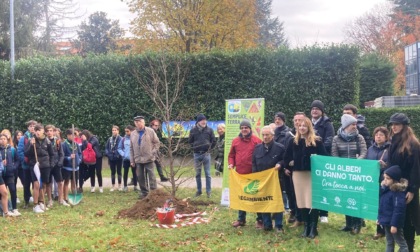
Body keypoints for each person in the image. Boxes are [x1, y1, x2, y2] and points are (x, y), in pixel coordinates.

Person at [283, 117, 327, 239]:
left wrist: (315, 159)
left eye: (304, 126)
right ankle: (306, 227)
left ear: (309, 127)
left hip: (311, 175)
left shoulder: (317, 141)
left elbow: (324, 158)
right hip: (298, 175)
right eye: (300, 126)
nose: (302, 128)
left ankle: (313, 227)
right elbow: (286, 157)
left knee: (311, 201)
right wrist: (290, 163)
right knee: (301, 201)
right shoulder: (293, 141)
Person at [387, 113, 420, 252]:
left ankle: (409, 249)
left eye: (397, 124)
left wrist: (412, 190)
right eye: (392, 124)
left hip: (407, 188)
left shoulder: (413, 144)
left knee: (408, 221)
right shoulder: (393, 141)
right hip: (394, 187)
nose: (393, 127)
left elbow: (416, 169)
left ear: (405, 126)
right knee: (396, 218)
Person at [332, 114, 367, 234]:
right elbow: (334, 155)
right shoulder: (336, 139)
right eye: (353, 124)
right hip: (343, 173)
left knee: (356, 197)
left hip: (356, 173)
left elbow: (363, 152)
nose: (355, 126)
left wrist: (357, 162)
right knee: (345, 197)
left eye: (355, 124)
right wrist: (341, 166)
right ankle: (348, 223)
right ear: (346, 125)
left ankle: (357, 224)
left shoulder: (359, 138)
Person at [228, 119, 262, 228]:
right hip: (240, 175)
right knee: (241, 197)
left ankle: (260, 220)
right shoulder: (235, 141)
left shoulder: (257, 141)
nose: (244, 130)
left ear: (250, 129)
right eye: (242, 128)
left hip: (254, 174)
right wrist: (231, 164)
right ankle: (241, 219)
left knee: (256, 198)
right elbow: (231, 155)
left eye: (246, 128)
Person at [252, 126, 286, 232]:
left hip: (276, 180)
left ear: (273, 136)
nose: (265, 137)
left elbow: (284, 160)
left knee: (276, 202)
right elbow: (254, 163)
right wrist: (255, 177)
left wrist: (280, 164)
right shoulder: (257, 148)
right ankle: (267, 224)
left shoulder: (280, 148)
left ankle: (279, 225)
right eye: (263, 135)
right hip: (262, 181)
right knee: (264, 202)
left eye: (267, 135)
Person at [310, 100, 334, 223]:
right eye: (313, 108)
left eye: (317, 109)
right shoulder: (308, 123)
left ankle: (324, 213)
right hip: (311, 159)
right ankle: (313, 209)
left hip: (323, 158)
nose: (314, 111)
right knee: (312, 186)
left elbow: (329, 140)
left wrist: (320, 151)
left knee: (323, 186)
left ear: (321, 111)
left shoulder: (327, 124)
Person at [24, 124, 54, 213]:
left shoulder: (47, 141)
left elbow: (52, 154)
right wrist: (31, 145)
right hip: (35, 166)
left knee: (43, 185)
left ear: (42, 131)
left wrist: (51, 164)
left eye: (39, 130)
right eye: (36, 130)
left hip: (45, 166)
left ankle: (41, 202)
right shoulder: (31, 140)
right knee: (36, 184)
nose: (37, 132)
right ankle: (35, 205)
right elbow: (26, 153)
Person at [367, 126, 390, 240]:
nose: (378, 137)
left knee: (385, 205)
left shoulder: (390, 149)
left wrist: (385, 165)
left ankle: (387, 230)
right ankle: (379, 231)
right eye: (376, 135)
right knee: (377, 206)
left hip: (385, 181)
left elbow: (393, 164)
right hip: (373, 181)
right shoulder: (370, 149)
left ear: (386, 137)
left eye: (381, 135)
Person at [378, 165, 409, 252]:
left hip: (394, 223)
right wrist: (379, 218)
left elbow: (398, 210)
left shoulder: (398, 193)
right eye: (384, 178)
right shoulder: (386, 190)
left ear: (394, 180)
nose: (385, 180)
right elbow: (382, 206)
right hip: (387, 221)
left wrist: (394, 225)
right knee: (389, 241)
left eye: (387, 178)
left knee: (402, 244)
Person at [130, 115, 160, 199]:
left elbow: (157, 143)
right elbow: (131, 148)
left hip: (149, 158)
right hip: (138, 159)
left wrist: (153, 152)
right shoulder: (133, 134)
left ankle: (154, 193)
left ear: (143, 122)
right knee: (140, 176)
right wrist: (132, 160)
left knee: (151, 175)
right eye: (136, 122)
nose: (137, 123)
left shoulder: (150, 131)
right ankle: (144, 192)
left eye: (139, 122)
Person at [285, 112, 306, 227]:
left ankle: (308, 218)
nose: (298, 123)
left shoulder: (312, 137)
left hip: (307, 172)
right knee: (295, 194)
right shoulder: (290, 137)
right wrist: (287, 166)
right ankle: (298, 217)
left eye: (300, 121)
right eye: (296, 121)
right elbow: (286, 154)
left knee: (306, 195)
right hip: (295, 172)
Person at [188, 114, 216, 198]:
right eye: (202, 120)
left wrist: (209, 149)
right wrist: (194, 148)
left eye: (205, 120)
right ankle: (199, 191)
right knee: (197, 174)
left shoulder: (210, 130)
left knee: (208, 174)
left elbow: (213, 141)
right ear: (198, 122)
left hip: (206, 154)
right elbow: (190, 141)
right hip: (197, 154)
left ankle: (208, 192)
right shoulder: (193, 130)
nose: (204, 121)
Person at [17, 120, 36, 208]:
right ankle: (26, 201)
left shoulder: (37, 136)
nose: (32, 127)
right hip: (26, 165)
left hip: (35, 165)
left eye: (34, 126)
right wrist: (25, 160)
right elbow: (20, 151)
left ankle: (37, 200)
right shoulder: (23, 138)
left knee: (36, 183)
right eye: (30, 126)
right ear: (28, 127)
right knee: (26, 184)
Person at [45, 125, 65, 208]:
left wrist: (60, 162)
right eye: (48, 131)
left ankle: (61, 199)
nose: (49, 132)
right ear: (45, 132)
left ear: (54, 131)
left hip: (56, 164)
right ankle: (50, 200)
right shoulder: (44, 141)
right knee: (49, 183)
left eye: (51, 130)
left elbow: (61, 153)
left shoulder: (57, 141)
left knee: (60, 182)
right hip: (48, 165)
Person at [0, 134, 20, 216]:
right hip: (2, 174)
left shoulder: (12, 149)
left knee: (12, 190)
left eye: (4, 139)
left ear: (7, 140)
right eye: (1, 139)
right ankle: (4, 210)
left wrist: (13, 167)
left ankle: (14, 208)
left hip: (10, 173)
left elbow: (17, 160)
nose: (2, 140)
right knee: (2, 193)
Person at [61, 129, 81, 206]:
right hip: (67, 167)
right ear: (68, 135)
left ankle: (75, 197)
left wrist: (79, 159)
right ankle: (65, 198)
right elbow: (62, 156)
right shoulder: (64, 145)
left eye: (74, 135)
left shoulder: (76, 144)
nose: (73, 137)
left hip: (75, 167)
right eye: (71, 135)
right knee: (66, 182)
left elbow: (79, 153)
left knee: (74, 182)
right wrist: (69, 157)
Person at [118, 125, 138, 192]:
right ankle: (125, 186)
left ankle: (135, 186)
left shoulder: (136, 138)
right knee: (125, 173)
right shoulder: (123, 139)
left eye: (128, 131)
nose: (126, 133)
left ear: (132, 131)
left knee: (134, 173)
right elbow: (119, 148)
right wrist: (123, 154)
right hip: (126, 160)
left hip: (134, 159)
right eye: (125, 131)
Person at [105, 125, 123, 191]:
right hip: (111, 158)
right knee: (113, 172)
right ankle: (113, 186)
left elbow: (121, 148)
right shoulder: (109, 139)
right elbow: (106, 148)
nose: (114, 131)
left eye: (115, 130)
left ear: (118, 131)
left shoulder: (121, 139)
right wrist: (109, 154)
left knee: (119, 172)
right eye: (113, 130)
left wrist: (116, 153)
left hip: (118, 158)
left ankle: (120, 185)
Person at [13, 130, 24, 204]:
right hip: (15, 167)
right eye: (18, 135)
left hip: (22, 167)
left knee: (25, 182)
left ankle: (29, 195)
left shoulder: (23, 144)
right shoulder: (13, 145)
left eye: (20, 135)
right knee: (14, 183)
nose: (19, 136)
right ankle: (15, 197)